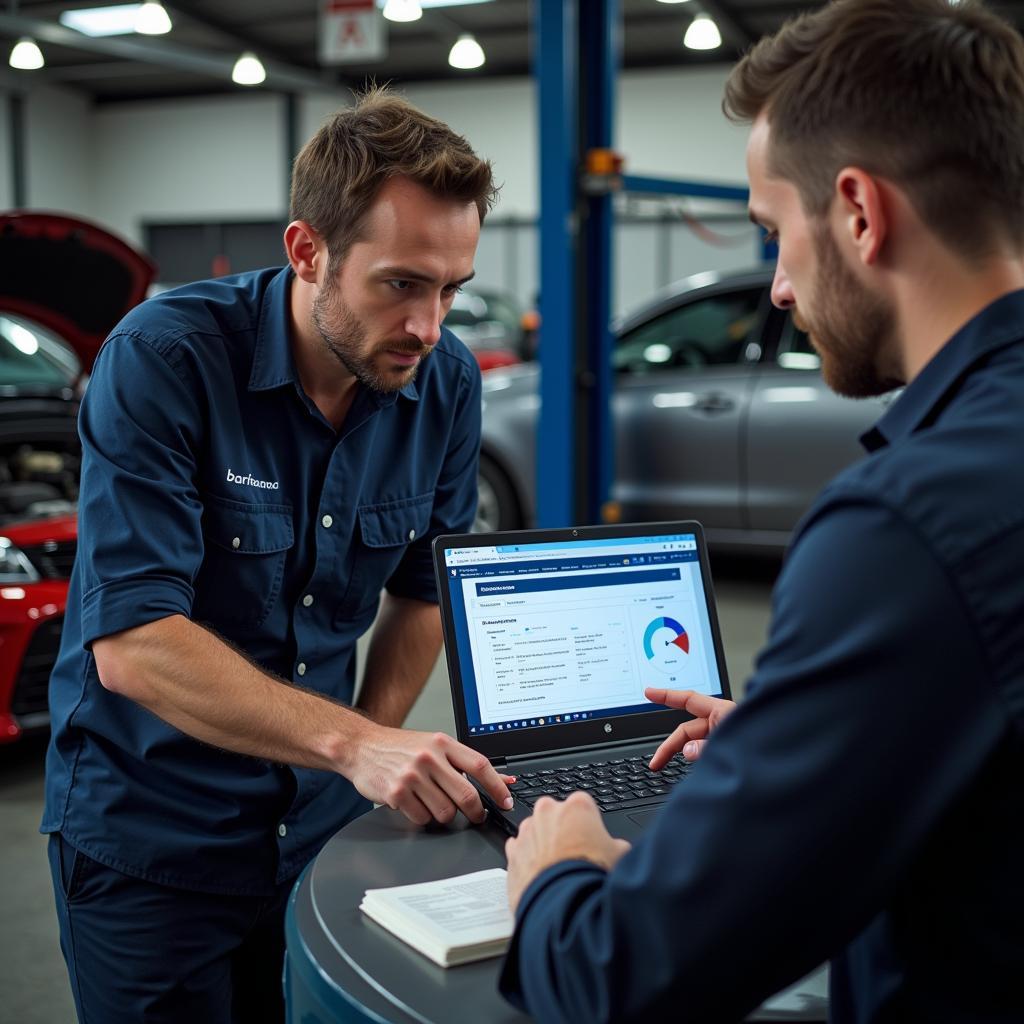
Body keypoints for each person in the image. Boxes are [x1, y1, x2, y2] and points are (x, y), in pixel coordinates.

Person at [500, 1, 1024, 1021]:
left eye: (777, 232)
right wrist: (833, 733)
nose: (778, 286)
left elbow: (627, 976)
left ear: (859, 213)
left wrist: (556, 874)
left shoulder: (904, 524)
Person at [42, 86, 515, 1023]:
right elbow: (134, 642)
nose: (430, 324)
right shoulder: (166, 360)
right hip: (153, 845)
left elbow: (424, 593)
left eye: (451, 288)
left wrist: (362, 764)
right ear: (308, 252)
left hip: (322, 838)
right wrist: (361, 745)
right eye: (402, 284)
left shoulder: (444, 382)